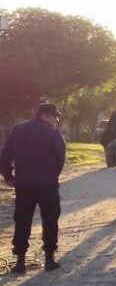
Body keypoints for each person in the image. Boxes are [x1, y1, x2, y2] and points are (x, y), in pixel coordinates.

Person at [0, 102, 66, 273]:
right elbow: (60, 159)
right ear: (45, 115)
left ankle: (20, 261)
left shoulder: (18, 130)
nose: (56, 120)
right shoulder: (53, 135)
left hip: (24, 184)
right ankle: (49, 258)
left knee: (22, 220)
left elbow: (6, 154)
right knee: (50, 221)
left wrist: (8, 176)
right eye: (54, 116)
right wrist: (52, 176)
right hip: (47, 185)